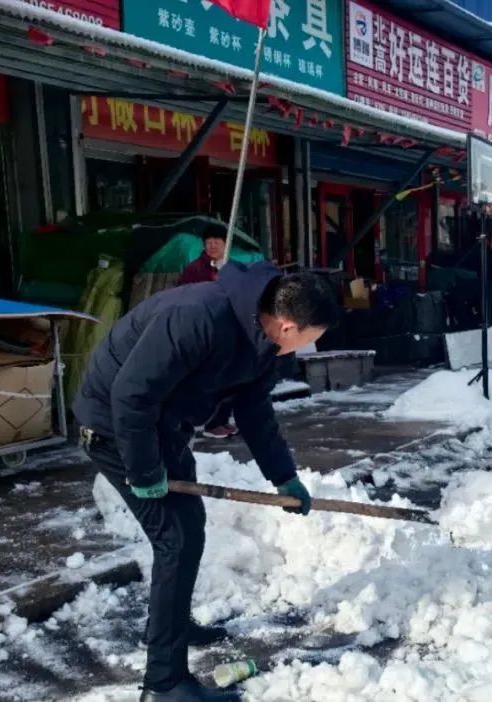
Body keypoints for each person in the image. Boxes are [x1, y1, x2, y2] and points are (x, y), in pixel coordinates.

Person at [72, 262, 340, 702]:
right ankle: (164, 685)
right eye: (314, 337)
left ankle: (169, 625)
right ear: (289, 326)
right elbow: (131, 395)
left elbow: (255, 411)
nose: (311, 346)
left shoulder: (264, 342)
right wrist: (143, 471)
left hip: (163, 425)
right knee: (175, 539)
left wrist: (284, 476)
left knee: (187, 529)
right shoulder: (198, 317)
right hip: (113, 427)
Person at [177, 232, 235, 439]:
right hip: (205, 329)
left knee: (230, 378)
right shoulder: (195, 269)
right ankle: (209, 423)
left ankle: (222, 419)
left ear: (224, 244)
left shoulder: (231, 267)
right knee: (211, 378)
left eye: (216, 242)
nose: (212, 246)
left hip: (229, 328)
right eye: (208, 242)